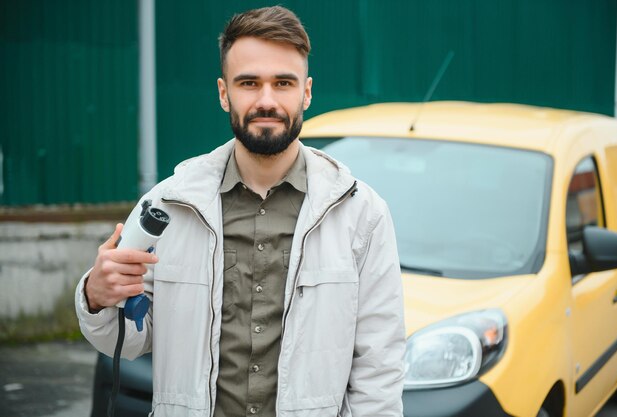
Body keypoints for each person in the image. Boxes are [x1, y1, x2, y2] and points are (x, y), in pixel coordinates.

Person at [75, 6, 405, 417]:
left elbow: (380, 368)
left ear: (306, 92)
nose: (266, 101)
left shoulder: (361, 215)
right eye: (249, 83)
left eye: (283, 83)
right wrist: (97, 297)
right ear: (223, 92)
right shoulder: (170, 205)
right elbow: (128, 340)